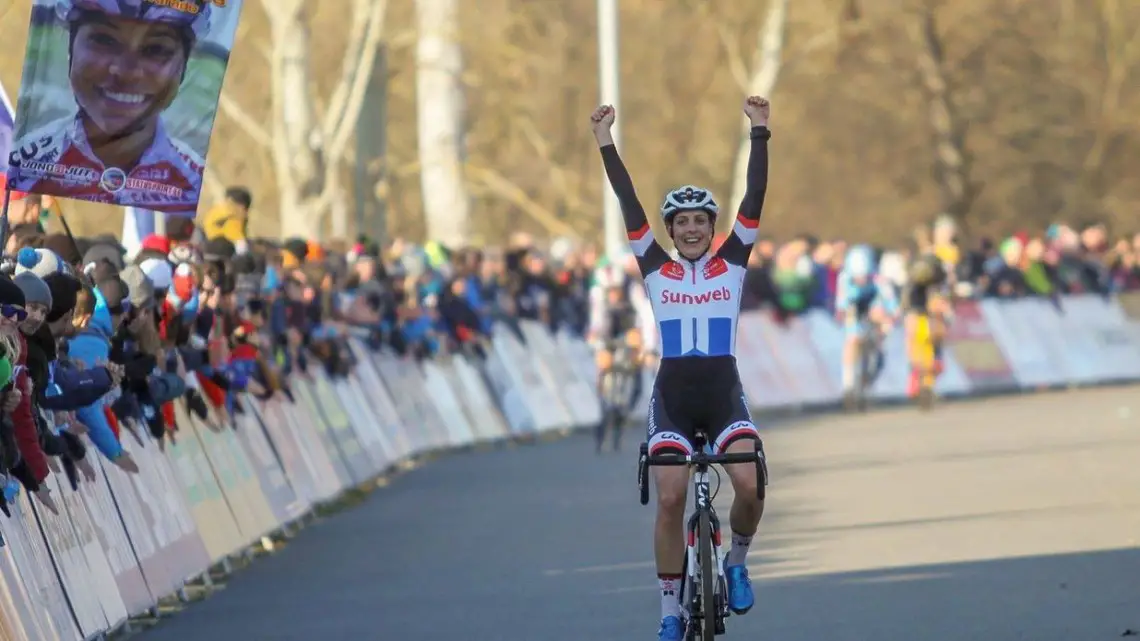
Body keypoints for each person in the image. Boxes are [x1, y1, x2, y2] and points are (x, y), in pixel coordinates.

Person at [590, 96, 770, 641]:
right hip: (673, 394)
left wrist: (759, 132)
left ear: (713, 227)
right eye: (682, 222)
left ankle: (735, 561)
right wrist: (605, 143)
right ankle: (670, 609)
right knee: (669, 498)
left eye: (700, 221)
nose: (692, 229)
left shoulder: (733, 260)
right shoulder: (655, 268)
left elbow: (755, 195)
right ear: (670, 230)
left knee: (750, 483)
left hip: (722, 393)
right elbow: (628, 202)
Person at [6, 0, 212, 212]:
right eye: (104, 40)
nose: (125, 71)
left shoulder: (192, 183)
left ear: (184, 67)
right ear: (70, 48)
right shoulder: (24, 164)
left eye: (155, 49)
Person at [835, 244, 899, 406]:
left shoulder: (879, 280)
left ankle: (867, 381)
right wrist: (843, 314)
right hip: (855, 312)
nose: (861, 280)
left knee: (878, 348)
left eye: (864, 277)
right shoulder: (844, 278)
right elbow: (842, 305)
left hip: (876, 313)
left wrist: (889, 318)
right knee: (852, 341)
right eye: (857, 277)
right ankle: (848, 385)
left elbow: (891, 305)